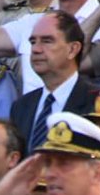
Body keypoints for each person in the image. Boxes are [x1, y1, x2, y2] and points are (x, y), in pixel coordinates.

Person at [10, 10, 92, 155]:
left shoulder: (94, 103)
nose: (35, 49)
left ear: (73, 49)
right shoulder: (21, 106)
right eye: (33, 42)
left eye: (47, 41)